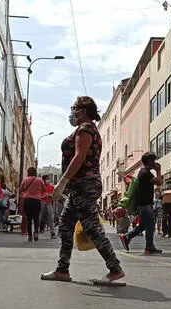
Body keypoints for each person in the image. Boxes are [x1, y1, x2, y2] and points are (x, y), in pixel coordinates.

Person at [41, 96, 125, 285]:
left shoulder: (85, 129)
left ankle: (115, 269)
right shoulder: (86, 129)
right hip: (80, 186)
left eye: (74, 108)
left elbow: (79, 157)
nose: (71, 112)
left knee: (93, 228)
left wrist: (61, 183)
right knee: (65, 225)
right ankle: (62, 269)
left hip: (84, 184)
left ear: (83, 111)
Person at [118, 152, 163, 254]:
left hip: (143, 204)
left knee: (143, 225)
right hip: (145, 205)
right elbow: (159, 182)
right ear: (149, 162)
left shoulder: (143, 172)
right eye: (153, 161)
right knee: (150, 225)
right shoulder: (145, 173)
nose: (154, 163)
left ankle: (127, 237)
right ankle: (149, 247)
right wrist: (159, 171)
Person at [19, 167, 46, 241]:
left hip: (27, 200)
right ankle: (36, 233)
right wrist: (41, 195)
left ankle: (30, 236)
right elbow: (45, 190)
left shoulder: (25, 179)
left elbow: (21, 189)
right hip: (37, 200)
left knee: (29, 218)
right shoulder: (39, 180)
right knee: (36, 218)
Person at [39, 174, 56, 239]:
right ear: (44, 179)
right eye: (47, 178)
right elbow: (38, 194)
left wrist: (51, 195)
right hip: (42, 202)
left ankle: (52, 233)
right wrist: (44, 195)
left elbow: (54, 194)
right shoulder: (40, 186)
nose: (49, 180)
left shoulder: (51, 186)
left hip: (49, 203)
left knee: (51, 218)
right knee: (39, 217)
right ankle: (36, 232)